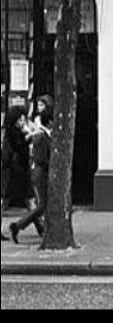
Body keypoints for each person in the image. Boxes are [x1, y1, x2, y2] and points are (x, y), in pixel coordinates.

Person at [9, 103, 53, 244]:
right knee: (40, 204)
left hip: (36, 172)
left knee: (38, 204)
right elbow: (41, 158)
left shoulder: (41, 134)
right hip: (37, 173)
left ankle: (40, 228)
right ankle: (19, 225)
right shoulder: (40, 136)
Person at [1, 106, 27, 241]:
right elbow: (19, 150)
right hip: (11, 172)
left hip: (11, 171)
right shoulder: (15, 135)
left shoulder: (9, 134)